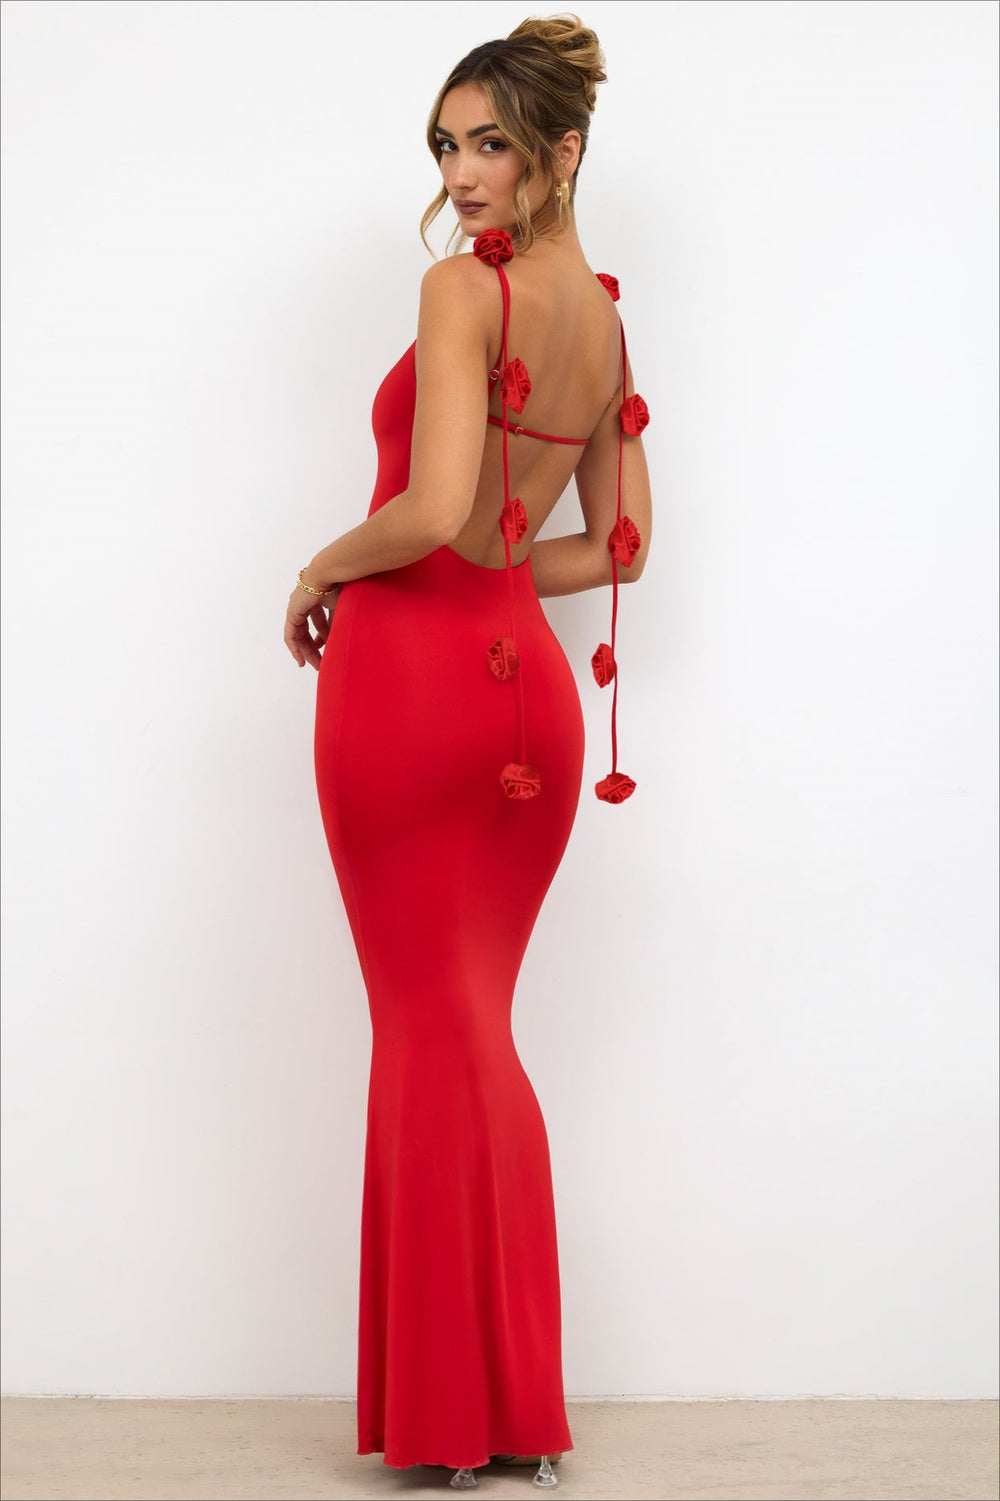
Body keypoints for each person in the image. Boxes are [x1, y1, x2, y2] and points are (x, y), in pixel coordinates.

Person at [283, 13, 651, 1491]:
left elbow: (433, 511)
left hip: (411, 693)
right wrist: (498, 573)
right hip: (527, 712)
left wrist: (321, 565)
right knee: (473, 1025)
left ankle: (450, 1418)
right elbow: (615, 548)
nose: (461, 174)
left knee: (429, 1027)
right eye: (446, 146)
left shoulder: (462, 290)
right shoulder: (606, 325)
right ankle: (509, 1408)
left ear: (563, 151)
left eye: (491, 144)